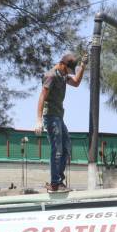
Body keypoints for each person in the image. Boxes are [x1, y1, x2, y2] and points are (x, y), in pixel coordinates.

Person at [34, 51, 87, 192]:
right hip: (50, 116)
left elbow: (76, 82)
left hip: (59, 116)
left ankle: (59, 181)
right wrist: (38, 120)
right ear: (62, 65)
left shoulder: (63, 76)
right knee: (56, 148)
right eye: (67, 71)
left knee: (66, 147)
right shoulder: (50, 76)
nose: (67, 74)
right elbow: (41, 97)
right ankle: (54, 183)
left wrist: (83, 66)